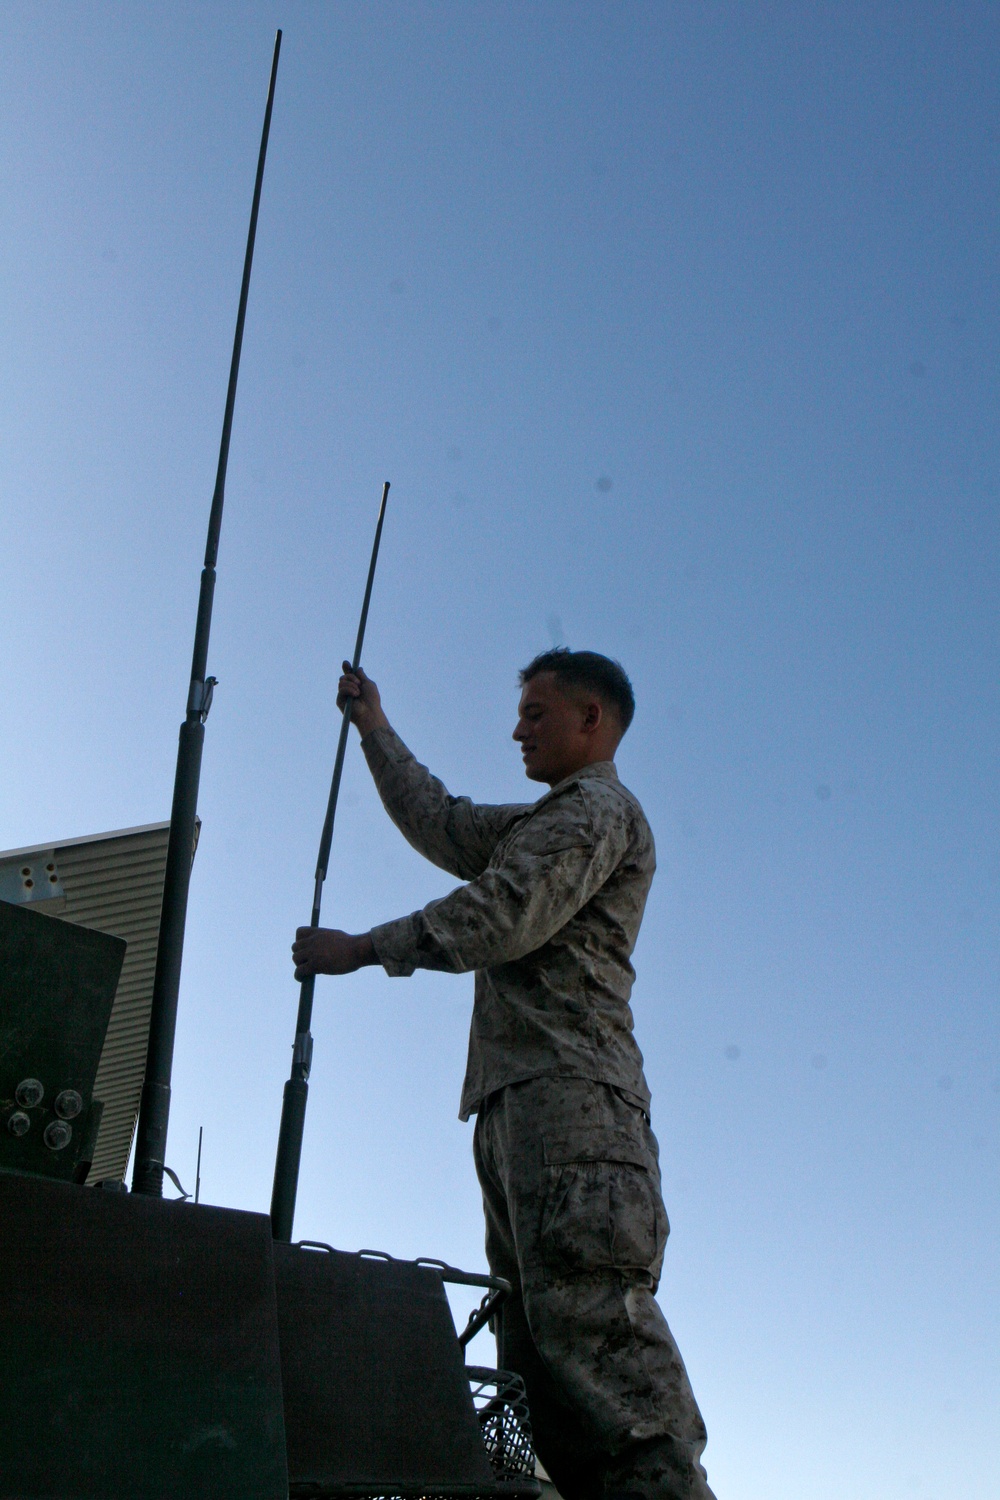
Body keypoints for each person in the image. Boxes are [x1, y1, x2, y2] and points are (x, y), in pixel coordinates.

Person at [291, 648, 716, 1500]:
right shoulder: (540, 821)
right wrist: (375, 727)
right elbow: (441, 823)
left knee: (603, 1359)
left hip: (574, 1107)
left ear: (592, 720)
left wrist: (364, 951)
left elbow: (503, 912)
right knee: (540, 1370)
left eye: (536, 713)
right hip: (520, 1108)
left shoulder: (595, 811)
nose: (516, 729)